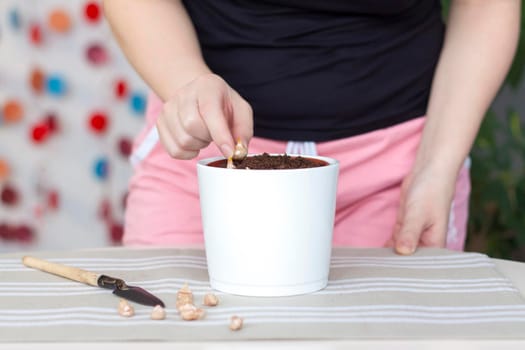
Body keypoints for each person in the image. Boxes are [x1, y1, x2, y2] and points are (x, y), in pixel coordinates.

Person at [103, 0, 520, 254]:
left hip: (398, 171)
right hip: (205, 163)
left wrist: (437, 166)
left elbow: (486, 5)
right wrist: (186, 85)